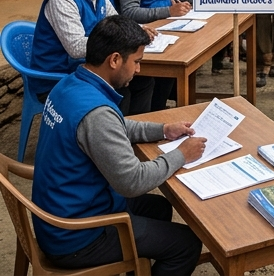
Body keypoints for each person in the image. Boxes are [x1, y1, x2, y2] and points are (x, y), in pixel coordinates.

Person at [31, 17, 206, 276]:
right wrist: (181, 154)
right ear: (114, 60)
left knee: (159, 207)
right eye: (136, 61)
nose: (137, 70)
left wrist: (162, 130)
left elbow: (114, 126)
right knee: (187, 244)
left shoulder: (70, 84)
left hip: (63, 212)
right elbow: (131, 182)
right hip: (78, 237)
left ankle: (138, 267)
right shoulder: (96, 114)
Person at [114, 0, 192, 114]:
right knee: (157, 76)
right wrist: (168, 10)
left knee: (174, 69)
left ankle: (158, 111)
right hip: (137, 41)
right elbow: (129, 12)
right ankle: (148, 117)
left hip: (165, 34)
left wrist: (191, 4)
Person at [32, 0, 119, 98]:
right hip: (57, 79)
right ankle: (115, 122)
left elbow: (115, 21)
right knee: (121, 85)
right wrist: (116, 39)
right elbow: (76, 48)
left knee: (140, 80)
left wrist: (135, 30)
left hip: (85, 69)